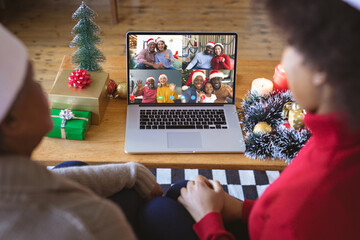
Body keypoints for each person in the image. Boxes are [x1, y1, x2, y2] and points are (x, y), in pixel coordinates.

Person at [139, 0, 360, 239]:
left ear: (322, 68)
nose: (284, 61)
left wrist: (208, 218)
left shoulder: (303, 202)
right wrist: (241, 209)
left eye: (291, 43)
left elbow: (289, 220)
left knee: (155, 211)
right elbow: (285, 218)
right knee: (182, 190)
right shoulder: (343, 137)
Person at [0, 24, 163, 239]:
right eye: (32, 82)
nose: (42, 88)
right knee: (161, 208)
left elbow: (47, 179)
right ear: (11, 121)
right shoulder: (92, 223)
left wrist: (131, 171)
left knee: (71, 166)